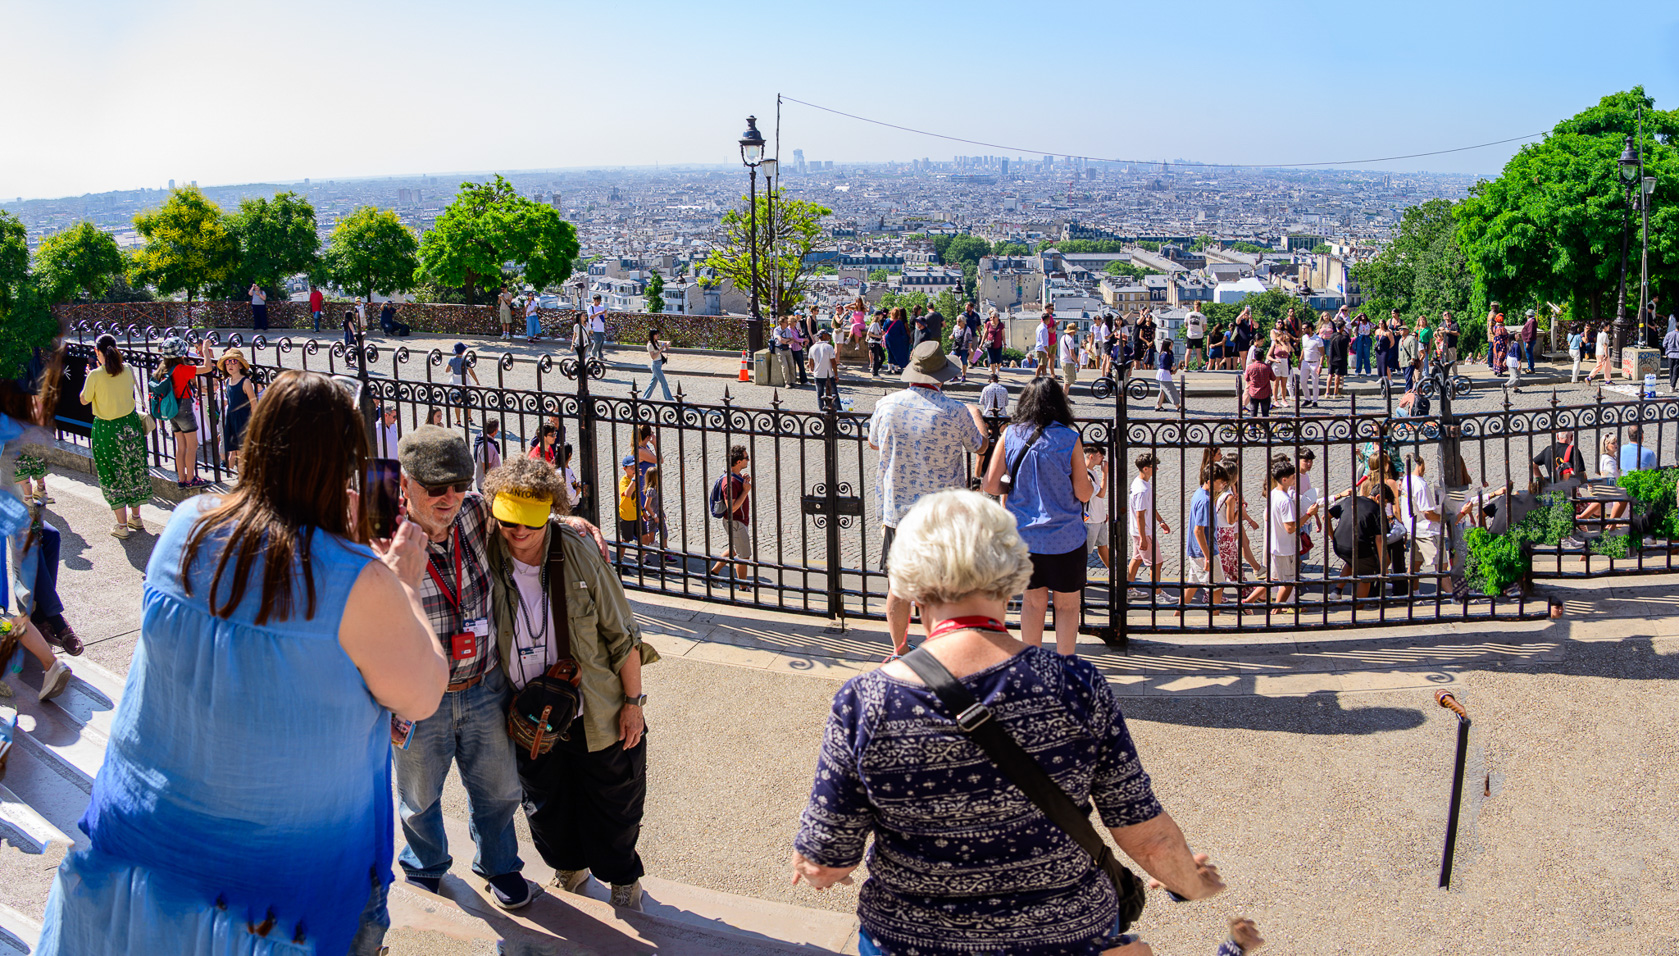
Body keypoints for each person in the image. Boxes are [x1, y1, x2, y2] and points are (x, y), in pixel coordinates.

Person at [40, 370, 448, 956]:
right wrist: (401, 584)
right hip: (279, 893)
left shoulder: (187, 524)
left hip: (139, 844)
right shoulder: (359, 581)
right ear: (345, 466)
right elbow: (423, 694)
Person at [790, 491, 1235, 956]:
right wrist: (1191, 885)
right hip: (1063, 937)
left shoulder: (865, 702)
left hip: (914, 941)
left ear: (908, 583)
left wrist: (814, 866)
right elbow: (1149, 838)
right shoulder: (1075, 685)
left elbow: (828, 858)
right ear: (1012, 572)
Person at [482, 458, 656, 912]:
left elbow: (623, 635)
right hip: (528, 712)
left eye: (531, 521)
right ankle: (569, 867)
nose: (519, 531)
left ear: (550, 512)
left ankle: (622, 878)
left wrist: (633, 703)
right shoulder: (487, 545)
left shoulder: (578, 551)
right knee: (545, 802)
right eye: (509, 520)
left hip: (592, 706)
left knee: (613, 801)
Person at [392, 424, 534, 910]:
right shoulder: (383, 538)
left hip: (483, 684)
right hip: (418, 698)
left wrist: (573, 523)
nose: (449, 497)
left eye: (458, 484)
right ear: (405, 483)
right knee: (419, 796)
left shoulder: (475, 511)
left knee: (499, 789)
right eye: (436, 487)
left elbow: (527, 519)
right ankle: (425, 864)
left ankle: (500, 864)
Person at [868, 342, 987, 658]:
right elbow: (980, 445)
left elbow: (873, 442)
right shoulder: (956, 411)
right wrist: (976, 414)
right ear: (942, 376)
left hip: (898, 512)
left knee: (899, 587)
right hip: (941, 516)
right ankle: (942, 649)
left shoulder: (887, 404)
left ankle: (899, 649)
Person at [981, 377, 1092, 655]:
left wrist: (1012, 488)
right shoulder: (1069, 438)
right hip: (1065, 537)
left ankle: (1033, 664)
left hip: (1025, 537)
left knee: (1032, 603)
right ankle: (1064, 664)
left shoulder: (1011, 434)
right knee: (1067, 606)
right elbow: (1083, 493)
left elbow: (990, 485)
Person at [79, 334, 151, 538]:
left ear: (97, 351)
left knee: (111, 472)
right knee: (133, 468)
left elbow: (84, 400)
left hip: (107, 428)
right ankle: (136, 517)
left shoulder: (95, 375)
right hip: (130, 425)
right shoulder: (127, 368)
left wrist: (88, 377)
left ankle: (121, 525)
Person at [1246, 458, 1315, 608]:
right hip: (1285, 548)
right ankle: (1278, 609)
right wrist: (1309, 514)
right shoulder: (1286, 501)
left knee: (1273, 580)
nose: (1295, 479)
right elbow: (1290, 528)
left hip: (1275, 545)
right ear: (1284, 480)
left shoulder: (1273, 493)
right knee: (1288, 582)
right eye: (1293, 477)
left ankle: (1247, 602)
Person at [152, 336, 214, 488]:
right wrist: (205, 350)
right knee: (192, 445)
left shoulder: (162, 370)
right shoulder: (181, 369)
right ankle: (191, 478)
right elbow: (207, 368)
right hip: (184, 408)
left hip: (172, 410)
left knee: (181, 446)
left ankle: (181, 479)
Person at [1324, 484, 1391, 602]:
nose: (1385, 506)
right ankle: (1358, 605)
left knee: (1352, 562)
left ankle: (1337, 591)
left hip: (1339, 546)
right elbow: (1379, 540)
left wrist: (1332, 536)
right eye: (1385, 503)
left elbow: (1325, 516)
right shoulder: (1377, 510)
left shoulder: (1350, 500)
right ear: (1378, 497)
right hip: (1359, 548)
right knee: (1367, 575)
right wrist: (1383, 565)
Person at [1179, 462, 1229, 618]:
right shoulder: (1206, 501)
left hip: (1196, 550)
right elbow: (1198, 530)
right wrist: (1208, 556)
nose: (1224, 485)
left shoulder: (1199, 493)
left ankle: (1177, 615)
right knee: (1217, 587)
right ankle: (1214, 619)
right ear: (1210, 481)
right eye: (1221, 482)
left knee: (1192, 584)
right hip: (1204, 552)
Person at [707, 445, 753, 588]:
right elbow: (731, 508)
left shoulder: (735, 477)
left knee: (734, 550)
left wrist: (743, 481)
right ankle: (743, 588)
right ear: (738, 461)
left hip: (738, 522)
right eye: (746, 458)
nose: (748, 460)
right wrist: (745, 491)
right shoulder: (730, 482)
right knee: (743, 556)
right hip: (736, 522)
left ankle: (713, 574)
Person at [1398, 456, 1445, 592]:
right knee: (1442, 567)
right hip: (1427, 531)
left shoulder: (1406, 480)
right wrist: (1443, 518)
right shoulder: (1420, 485)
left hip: (1413, 528)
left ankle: (1413, 594)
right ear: (1421, 464)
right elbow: (1428, 514)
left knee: (1415, 565)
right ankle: (1455, 597)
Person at [1126, 453, 1169, 598]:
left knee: (1137, 559)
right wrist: (1143, 538)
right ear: (1145, 468)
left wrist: (1160, 521)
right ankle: (1158, 593)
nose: (1156, 469)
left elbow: (1149, 506)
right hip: (1144, 532)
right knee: (1156, 563)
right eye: (1153, 467)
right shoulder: (1142, 490)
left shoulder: (1140, 483)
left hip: (1138, 531)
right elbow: (1140, 515)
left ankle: (1129, 589)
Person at [218, 348, 257, 473]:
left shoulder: (245, 382)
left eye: (234, 362)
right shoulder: (227, 381)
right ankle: (231, 473)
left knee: (242, 451)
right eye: (227, 362)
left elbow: (253, 402)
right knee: (232, 450)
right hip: (231, 418)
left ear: (240, 365)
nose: (230, 365)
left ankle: (242, 476)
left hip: (243, 419)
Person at [1084, 445, 1111, 569]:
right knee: (1084, 552)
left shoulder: (1092, 472)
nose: (1103, 458)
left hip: (1099, 518)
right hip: (1090, 519)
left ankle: (1114, 573)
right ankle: (1079, 576)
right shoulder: (1085, 474)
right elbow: (1101, 493)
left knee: (1103, 546)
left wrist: (1102, 513)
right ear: (1091, 456)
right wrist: (1105, 473)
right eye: (1100, 455)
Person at [447, 342, 479, 426]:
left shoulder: (452, 360)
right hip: (465, 380)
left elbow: (447, 370)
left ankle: (458, 420)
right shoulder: (466, 360)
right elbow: (471, 372)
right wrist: (476, 381)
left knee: (457, 402)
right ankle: (469, 417)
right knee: (468, 400)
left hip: (455, 381)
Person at [809, 329, 840, 409]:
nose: (829, 337)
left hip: (817, 375)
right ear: (824, 336)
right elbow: (833, 362)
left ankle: (822, 411)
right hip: (828, 375)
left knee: (820, 395)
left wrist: (813, 370)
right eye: (827, 335)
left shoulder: (812, 348)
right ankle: (839, 411)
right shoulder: (829, 347)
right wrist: (836, 375)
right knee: (834, 394)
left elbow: (811, 363)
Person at [643, 328, 674, 401]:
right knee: (664, 383)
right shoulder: (650, 345)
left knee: (653, 384)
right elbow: (653, 357)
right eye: (656, 334)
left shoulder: (656, 342)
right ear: (653, 335)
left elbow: (667, 342)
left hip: (659, 364)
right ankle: (669, 399)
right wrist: (660, 350)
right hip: (655, 365)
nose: (658, 335)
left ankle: (644, 398)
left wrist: (667, 344)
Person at [1243, 348, 1274, 422]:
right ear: (1263, 356)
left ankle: (1253, 427)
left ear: (1254, 356)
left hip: (1253, 393)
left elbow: (1247, 378)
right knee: (1265, 414)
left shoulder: (1250, 367)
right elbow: (1273, 378)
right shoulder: (1267, 367)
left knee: (1253, 413)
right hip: (1265, 393)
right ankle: (1266, 427)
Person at [1299, 323, 1326, 407]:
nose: (1303, 330)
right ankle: (1307, 398)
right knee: (1302, 381)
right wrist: (1300, 361)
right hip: (1305, 362)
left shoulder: (1318, 339)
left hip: (1315, 363)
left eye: (1304, 328)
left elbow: (1322, 354)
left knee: (1315, 383)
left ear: (1310, 328)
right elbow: (1304, 349)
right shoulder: (1304, 338)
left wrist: (1320, 365)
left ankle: (1315, 400)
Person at [475, 418, 504, 490]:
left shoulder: (481, 437)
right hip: (488, 485)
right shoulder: (488, 446)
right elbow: (486, 469)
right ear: (495, 431)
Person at [1154, 334, 1180, 411]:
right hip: (1164, 374)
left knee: (1163, 391)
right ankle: (1177, 406)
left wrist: (1172, 370)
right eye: (1170, 345)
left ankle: (1158, 406)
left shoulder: (1169, 353)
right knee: (1171, 390)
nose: (1171, 347)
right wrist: (1171, 368)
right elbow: (1164, 366)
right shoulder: (1164, 354)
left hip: (1165, 374)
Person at [772, 316, 799, 388]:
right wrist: (787, 340)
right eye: (786, 322)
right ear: (781, 323)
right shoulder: (777, 330)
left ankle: (793, 382)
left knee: (792, 365)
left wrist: (786, 341)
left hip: (787, 348)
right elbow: (781, 340)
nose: (787, 324)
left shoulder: (787, 330)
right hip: (779, 349)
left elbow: (792, 340)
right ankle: (787, 382)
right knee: (785, 366)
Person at [884, 307, 911, 372]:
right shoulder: (899, 322)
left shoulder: (887, 320)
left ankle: (889, 368)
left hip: (889, 338)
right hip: (897, 339)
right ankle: (896, 369)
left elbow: (884, 329)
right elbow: (903, 332)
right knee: (897, 353)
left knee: (890, 352)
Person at [1059, 321, 1080, 392]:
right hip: (1068, 362)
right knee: (1067, 382)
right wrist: (1077, 362)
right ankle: (1064, 396)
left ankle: (1064, 396)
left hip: (1063, 360)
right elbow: (1072, 354)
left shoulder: (1063, 337)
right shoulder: (1070, 340)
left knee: (1068, 381)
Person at [984, 308, 1006, 373]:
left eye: (994, 317)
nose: (992, 318)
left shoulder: (1000, 324)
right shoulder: (988, 322)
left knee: (998, 360)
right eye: (991, 316)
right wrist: (983, 342)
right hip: (990, 344)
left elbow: (1003, 335)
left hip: (998, 344)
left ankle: (998, 370)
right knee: (992, 359)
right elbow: (985, 332)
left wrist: (1005, 344)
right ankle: (993, 374)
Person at [588, 295, 609, 361]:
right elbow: (590, 316)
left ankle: (600, 356)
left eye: (600, 301)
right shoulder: (590, 307)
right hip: (594, 327)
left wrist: (605, 313)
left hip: (601, 327)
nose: (599, 302)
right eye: (597, 301)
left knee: (601, 341)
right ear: (594, 300)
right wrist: (598, 313)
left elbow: (605, 317)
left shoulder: (601, 307)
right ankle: (592, 354)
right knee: (598, 341)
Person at [866, 310, 886, 376]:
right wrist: (877, 336)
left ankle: (875, 369)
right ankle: (875, 373)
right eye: (881, 315)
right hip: (873, 342)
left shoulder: (877, 324)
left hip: (877, 342)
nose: (882, 316)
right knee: (876, 358)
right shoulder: (874, 324)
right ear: (878, 316)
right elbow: (869, 333)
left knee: (882, 357)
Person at [1521, 309, 1539, 374]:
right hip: (1528, 340)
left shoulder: (1532, 322)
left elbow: (1530, 332)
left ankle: (1531, 368)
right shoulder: (1531, 321)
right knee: (1529, 354)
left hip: (1529, 341)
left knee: (1529, 354)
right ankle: (1530, 367)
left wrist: (1528, 342)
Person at [1664, 321, 1679, 393]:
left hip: (1670, 354)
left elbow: (1664, 344)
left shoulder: (1669, 334)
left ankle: (1671, 384)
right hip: (1678, 355)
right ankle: (1672, 386)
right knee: (1676, 372)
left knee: (1671, 370)